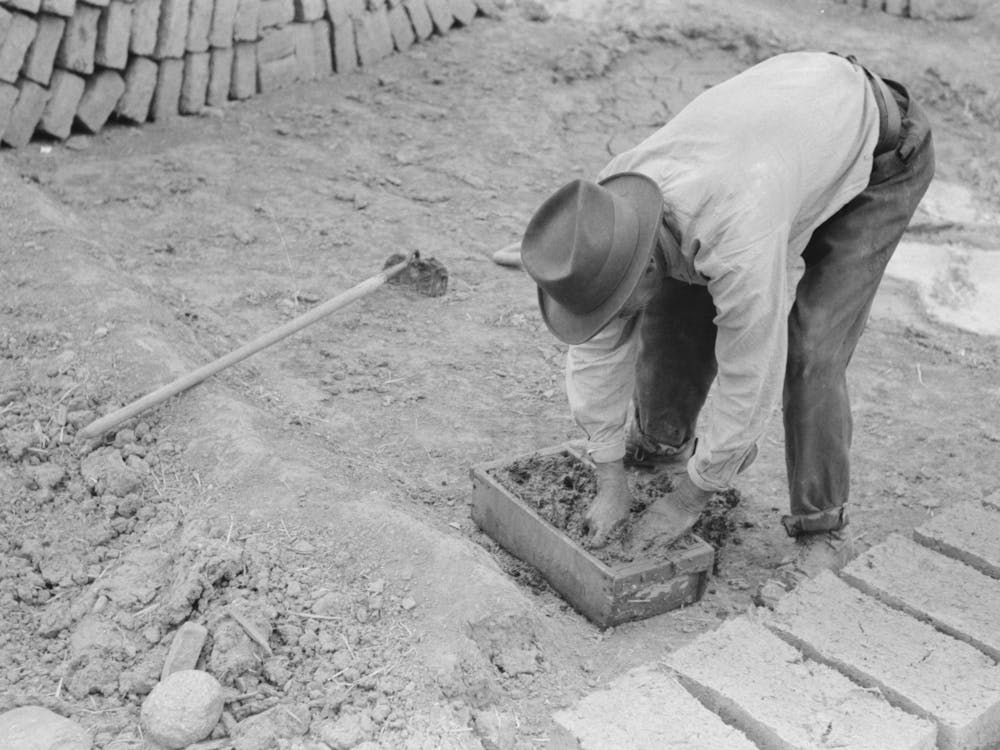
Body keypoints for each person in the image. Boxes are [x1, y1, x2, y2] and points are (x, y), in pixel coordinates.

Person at [517, 50, 935, 578]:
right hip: (784, 142)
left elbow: (750, 371)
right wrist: (609, 475)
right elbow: (598, 344)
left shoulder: (737, 236)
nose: (611, 320)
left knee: (809, 348)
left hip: (880, 155)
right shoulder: (613, 210)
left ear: (643, 264)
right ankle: (663, 449)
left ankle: (821, 535)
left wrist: (691, 499)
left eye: (615, 304)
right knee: (671, 314)